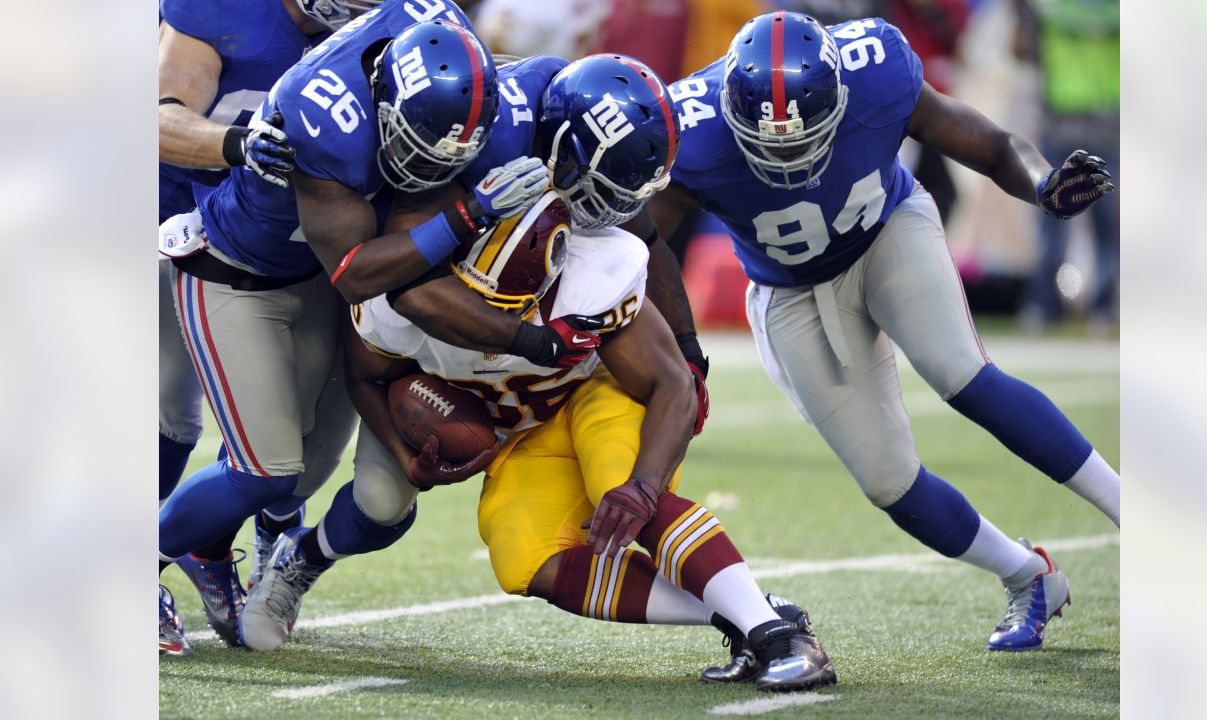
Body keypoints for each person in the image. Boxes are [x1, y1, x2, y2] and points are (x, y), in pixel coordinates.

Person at [645, 11, 1118, 652]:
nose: (789, 156)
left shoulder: (877, 72)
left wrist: (1041, 183)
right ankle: (1027, 575)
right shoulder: (691, 131)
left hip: (888, 231)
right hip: (790, 288)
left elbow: (991, 142)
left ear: (841, 99)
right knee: (886, 480)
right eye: (769, 144)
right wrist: (684, 344)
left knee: (963, 375)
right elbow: (649, 238)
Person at [241, 189, 838, 692]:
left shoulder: (593, 275)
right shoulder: (406, 297)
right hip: (523, 430)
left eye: (518, 304)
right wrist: (405, 454)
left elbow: (671, 386)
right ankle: (750, 611)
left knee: (623, 494)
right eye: (479, 301)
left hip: (595, 392)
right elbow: (367, 374)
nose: (496, 318)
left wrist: (645, 485)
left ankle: (779, 638)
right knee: (525, 560)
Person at [157, 3, 575, 655]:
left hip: (323, 285)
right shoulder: (320, 110)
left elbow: (548, 85)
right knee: (262, 467)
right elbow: (358, 273)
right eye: (409, 145)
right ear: (382, 104)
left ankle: (235, 549)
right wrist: (469, 212)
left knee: (306, 472)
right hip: (236, 271)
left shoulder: (456, 59)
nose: (423, 168)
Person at [156, 0, 377, 656]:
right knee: (171, 412)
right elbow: (158, 120)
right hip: (176, 218)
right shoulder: (222, 10)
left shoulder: (391, 26)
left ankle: (212, 543)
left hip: (300, 249)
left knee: (294, 453)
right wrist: (238, 143)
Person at [1014, 0, 1120, 333]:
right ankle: (1094, 308)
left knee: (1058, 217)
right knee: (1092, 226)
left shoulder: (1050, 9)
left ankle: (1047, 306)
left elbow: (1020, 47)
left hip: (1077, 123)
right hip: (1088, 122)